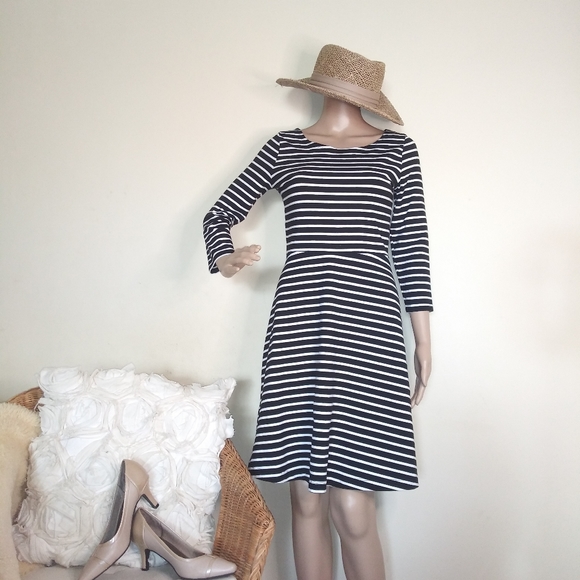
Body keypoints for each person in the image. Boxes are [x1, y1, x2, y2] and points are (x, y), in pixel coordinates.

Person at [203, 44, 433, 580]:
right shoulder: (284, 147)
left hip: (370, 331)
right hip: (298, 326)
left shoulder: (397, 152)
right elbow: (220, 213)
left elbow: (411, 248)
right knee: (304, 498)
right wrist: (225, 256)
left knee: (352, 507)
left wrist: (423, 339)